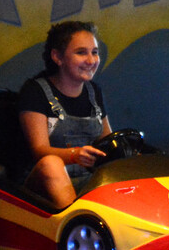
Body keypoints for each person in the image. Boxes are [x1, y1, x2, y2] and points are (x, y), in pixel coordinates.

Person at [19, 21, 112, 208]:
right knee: (51, 164)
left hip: (88, 180)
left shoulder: (94, 91)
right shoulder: (34, 91)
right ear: (57, 57)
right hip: (43, 186)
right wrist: (75, 155)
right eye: (81, 52)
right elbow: (39, 150)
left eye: (94, 52)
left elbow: (108, 140)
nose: (91, 60)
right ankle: (77, 218)